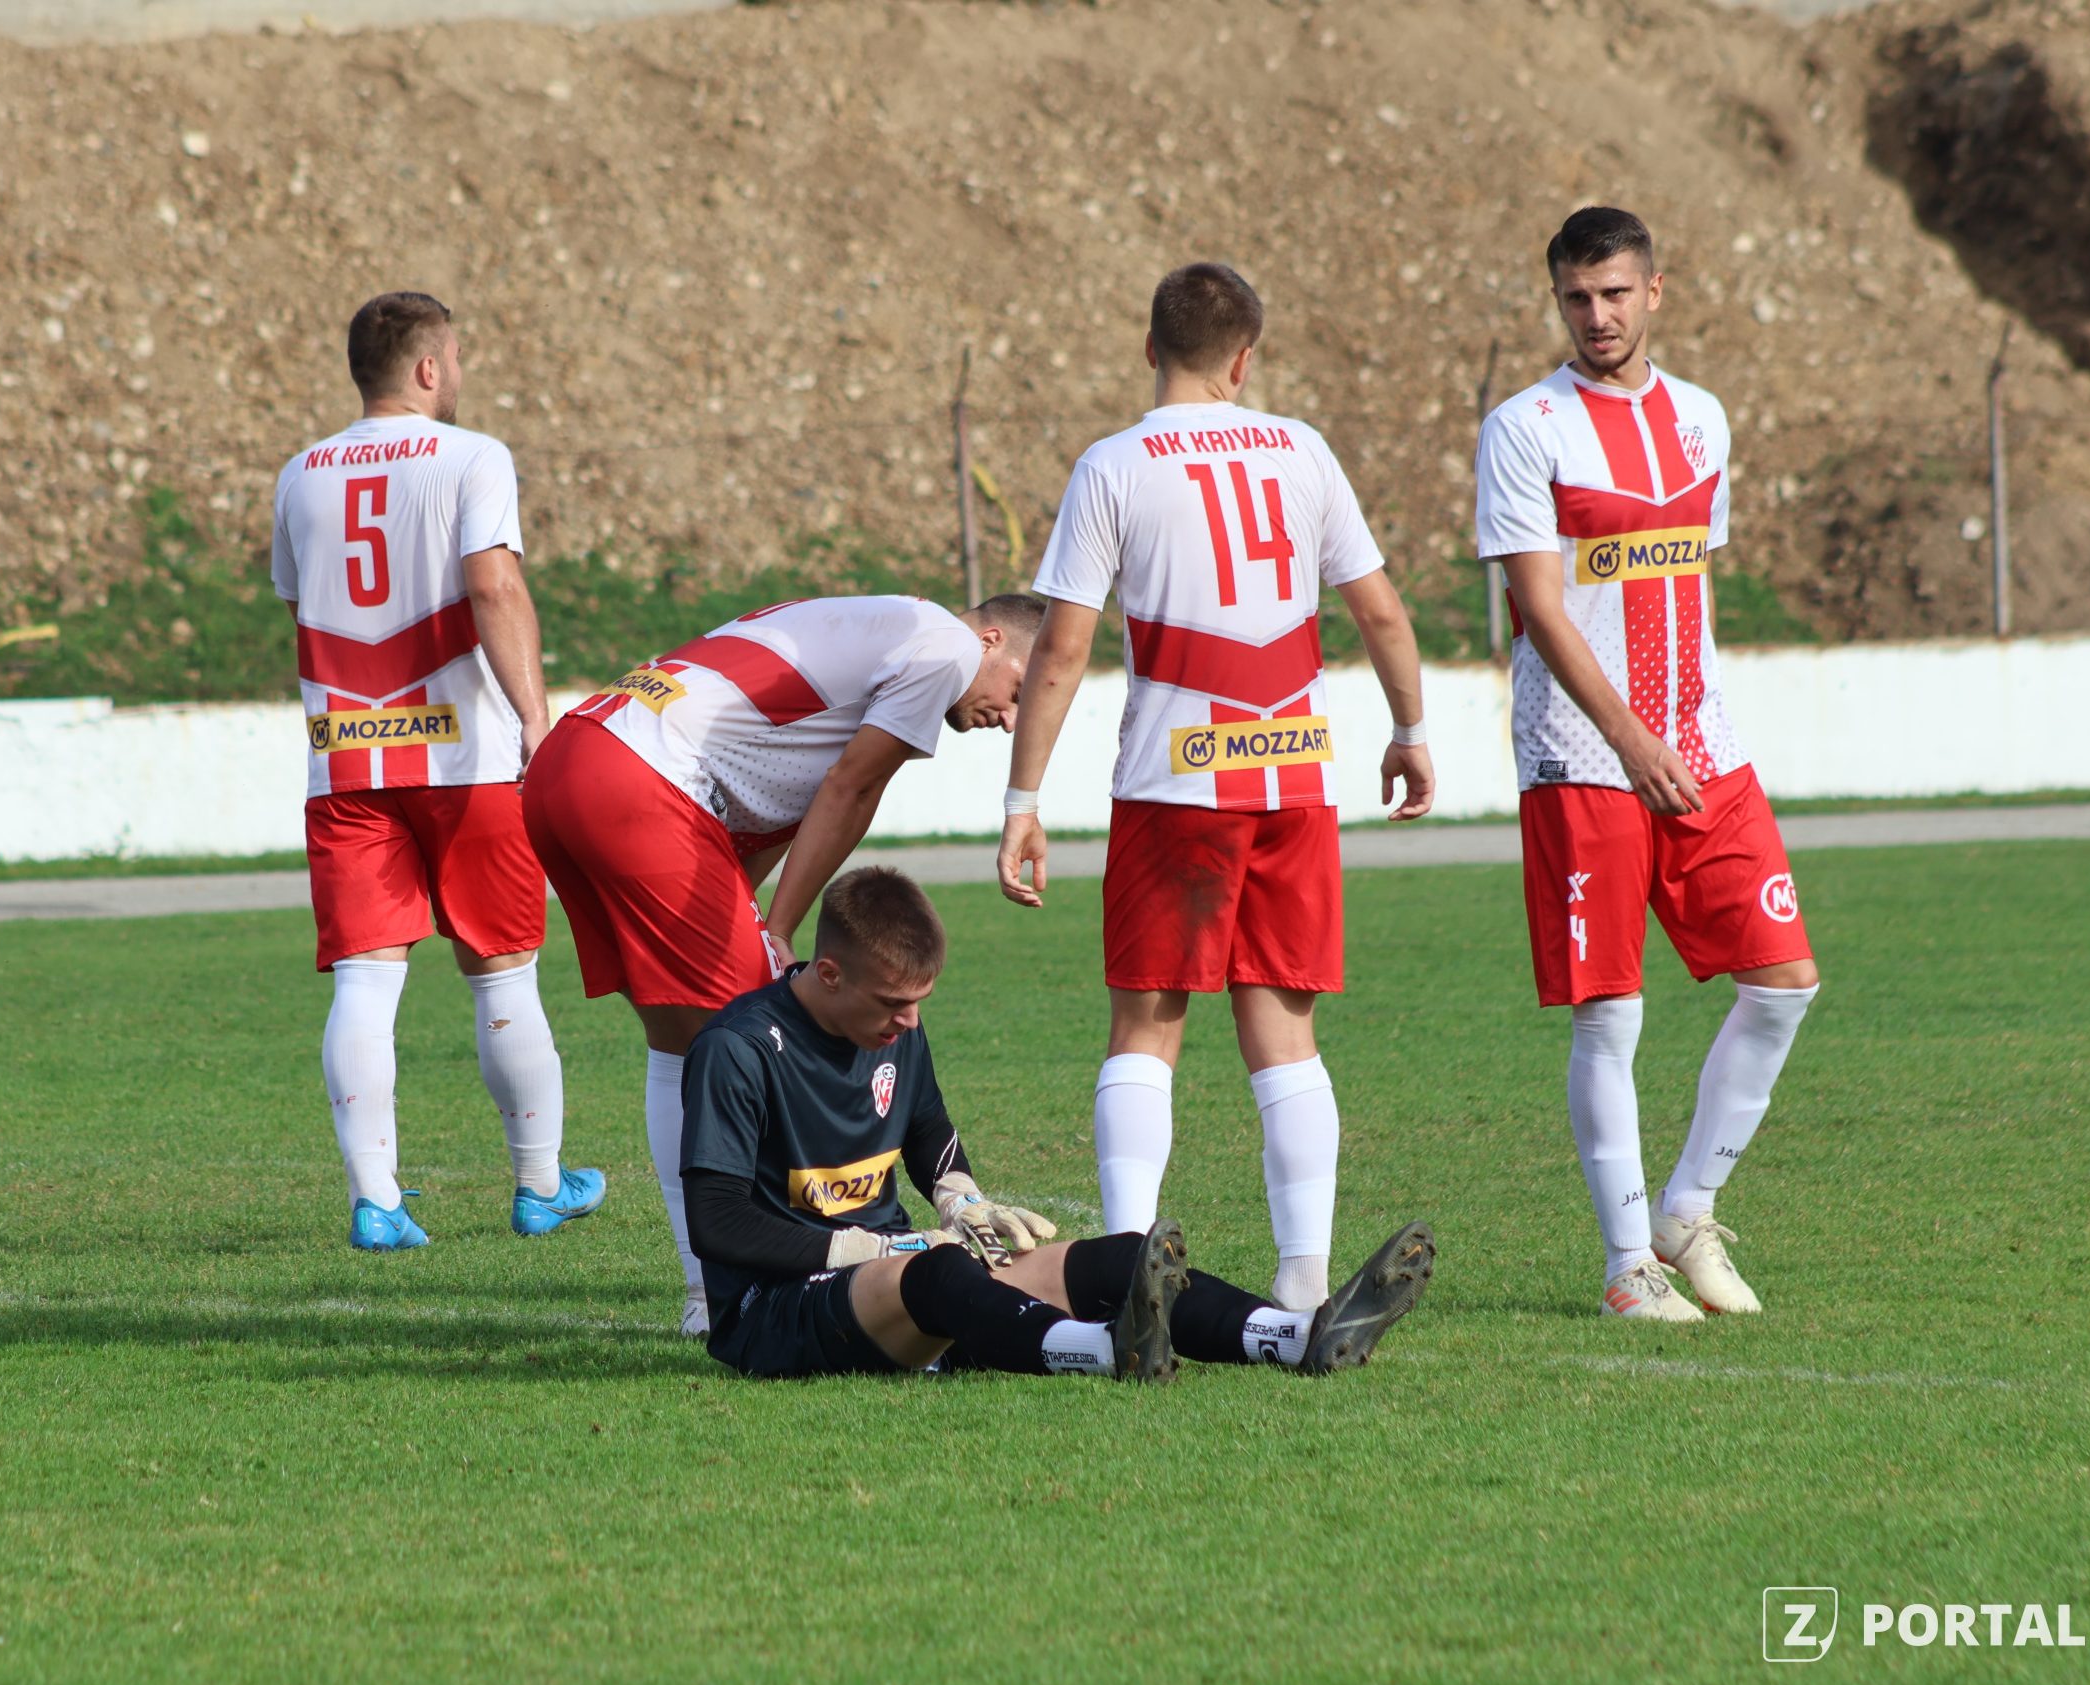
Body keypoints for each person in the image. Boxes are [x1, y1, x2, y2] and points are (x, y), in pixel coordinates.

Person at [996, 262, 1435, 1314]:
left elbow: (1061, 649)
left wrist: (1022, 801)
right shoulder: (1303, 449)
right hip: (1293, 777)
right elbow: (1380, 610)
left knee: (1147, 1028)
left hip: (1176, 783)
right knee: (1285, 1032)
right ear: (1244, 360)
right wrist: (1410, 731)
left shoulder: (1113, 464)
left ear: (1151, 347)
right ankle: (1304, 1280)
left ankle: (1125, 1269)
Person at [681, 866, 1436, 1382]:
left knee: (1118, 1259)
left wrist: (960, 1201)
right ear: (829, 973)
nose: (908, 1021)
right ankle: (1105, 1351)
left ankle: (1294, 1336)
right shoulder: (737, 1049)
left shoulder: (895, 1027)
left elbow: (929, 1134)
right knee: (936, 1273)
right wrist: (874, 1245)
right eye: (892, 1004)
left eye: (919, 1003)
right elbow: (717, 1224)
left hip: (902, 1282)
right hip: (775, 1310)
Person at [523, 592, 1044, 1334]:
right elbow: (852, 785)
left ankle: (707, 1292)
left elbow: (762, 810)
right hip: (643, 782)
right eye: (1020, 690)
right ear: (990, 640)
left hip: (574, 756)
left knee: (682, 1043)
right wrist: (779, 926)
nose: (1014, 719)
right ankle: (747, 1291)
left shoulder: (872, 624)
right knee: (764, 1033)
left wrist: (759, 916)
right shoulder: (948, 649)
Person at [1474, 207, 1820, 1320]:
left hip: (1703, 749)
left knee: (1785, 983)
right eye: (1577, 297)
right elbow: (1539, 605)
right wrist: (1628, 738)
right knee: (1609, 1015)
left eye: (1616, 292)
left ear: (1654, 291)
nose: (1598, 315)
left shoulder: (1701, 418)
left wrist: (1674, 732)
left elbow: (1686, 578)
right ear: (1557, 300)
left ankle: (1687, 1210)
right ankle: (1630, 1264)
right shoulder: (1525, 427)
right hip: (1583, 756)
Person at [271, 290, 604, 1251]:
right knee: (502, 976)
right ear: (427, 368)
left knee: (365, 983)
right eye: (454, 358)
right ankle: (539, 1185)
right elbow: (494, 585)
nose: (458, 373)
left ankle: (376, 1201)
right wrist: (536, 717)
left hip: (348, 758)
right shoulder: (472, 456)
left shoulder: (299, 474)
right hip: (467, 758)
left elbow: (301, 604)